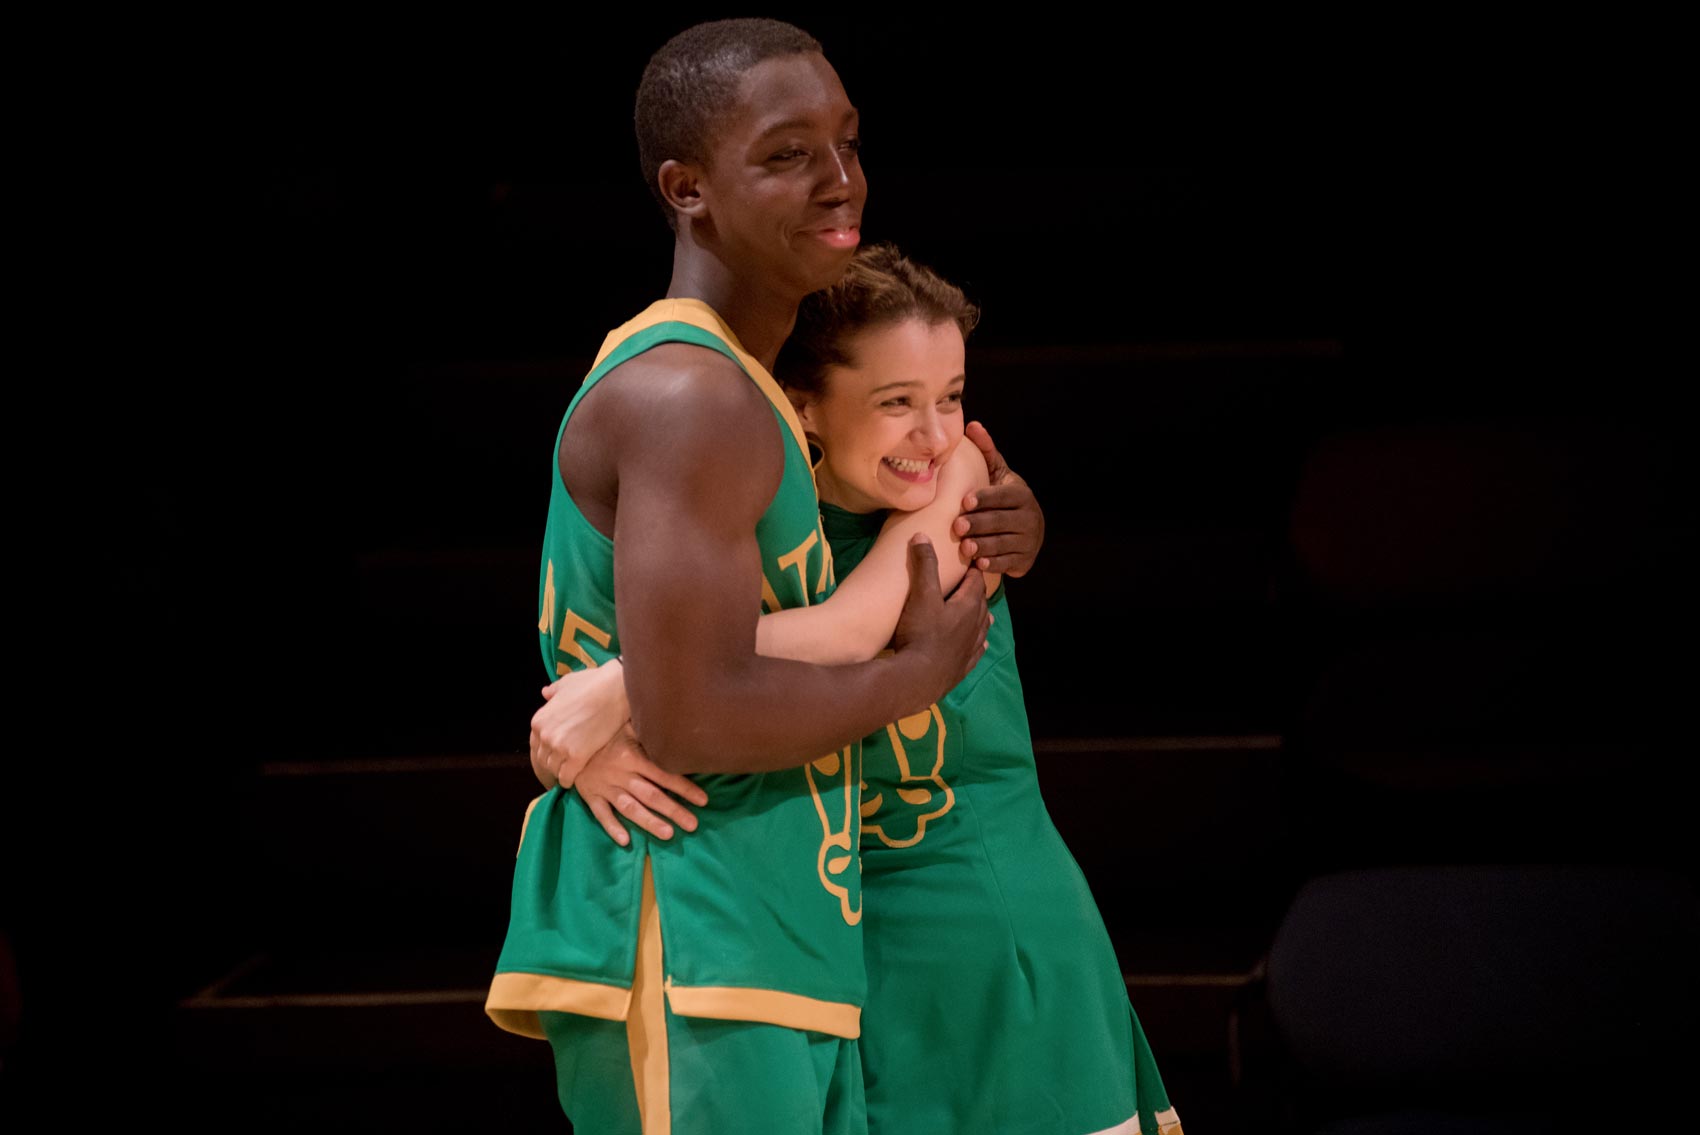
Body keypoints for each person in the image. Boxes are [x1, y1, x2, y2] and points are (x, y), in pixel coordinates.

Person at [484, 19, 1045, 1135]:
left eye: (845, 143)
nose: (838, 180)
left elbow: (863, 551)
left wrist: (1006, 512)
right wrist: (917, 673)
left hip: (779, 929)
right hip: (682, 917)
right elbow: (694, 713)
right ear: (686, 188)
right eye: (786, 154)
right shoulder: (688, 394)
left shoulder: (757, 395)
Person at [550, 245, 1182, 1135]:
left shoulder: (958, 485)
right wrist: (608, 727)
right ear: (800, 405)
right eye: (897, 403)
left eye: (952, 396)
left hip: (983, 919)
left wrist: (625, 683)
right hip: (839, 934)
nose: (936, 432)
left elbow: (849, 632)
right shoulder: (755, 508)